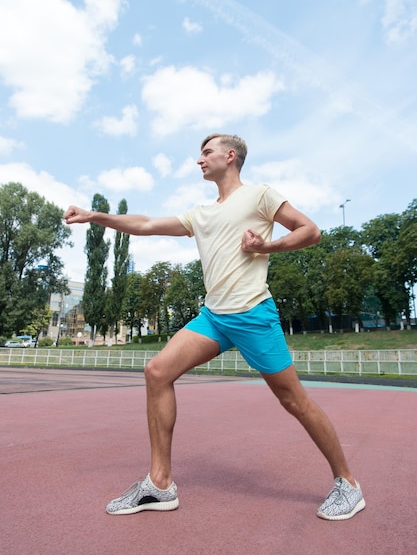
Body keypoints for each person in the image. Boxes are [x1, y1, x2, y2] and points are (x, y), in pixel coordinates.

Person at [64, 133, 365, 521]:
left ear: (231, 155)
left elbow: (311, 230)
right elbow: (145, 223)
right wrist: (96, 217)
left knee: (293, 401)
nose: (199, 160)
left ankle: (347, 484)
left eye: (206, 153)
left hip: (253, 313)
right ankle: (159, 484)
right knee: (157, 372)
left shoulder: (260, 196)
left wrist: (264, 247)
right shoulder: (200, 214)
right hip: (214, 317)